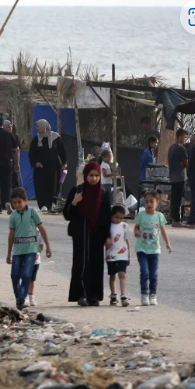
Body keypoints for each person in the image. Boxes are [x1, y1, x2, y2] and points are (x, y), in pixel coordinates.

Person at [64, 162, 112, 306]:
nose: (94, 178)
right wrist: (74, 202)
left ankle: (94, 296)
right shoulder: (77, 191)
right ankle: (81, 295)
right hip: (81, 233)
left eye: (97, 175)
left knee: (96, 264)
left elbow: (106, 217)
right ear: (85, 176)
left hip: (97, 234)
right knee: (81, 263)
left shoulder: (103, 193)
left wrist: (107, 236)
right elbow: (67, 215)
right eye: (91, 175)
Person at [6, 187, 52, 310]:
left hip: (31, 251)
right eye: (14, 203)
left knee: (26, 274)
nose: (17, 205)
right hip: (17, 251)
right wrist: (8, 253)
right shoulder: (13, 216)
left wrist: (48, 246)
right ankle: (19, 298)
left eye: (19, 202)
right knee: (15, 276)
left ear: (25, 200)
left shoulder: (32, 212)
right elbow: (11, 235)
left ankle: (21, 299)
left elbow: (42, 229)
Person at [134, 191, 172, 306]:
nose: (149, 204)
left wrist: (167, 243)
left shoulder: (159, 216)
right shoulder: (141, 215)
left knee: (153, 274)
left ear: (157, 202)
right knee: (144, 271)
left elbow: (163, 231)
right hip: (142, 249)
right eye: (146, 202)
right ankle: (144, 294)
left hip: (154, 250)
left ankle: (153, 294)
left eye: (151, 201)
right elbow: (136, 227)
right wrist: (136, 232)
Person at [29, 119, 68, 212]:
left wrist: (64, 162)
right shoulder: (36, 139)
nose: (37, 128)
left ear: (44, 126)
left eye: (38, 126)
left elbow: (61, 150)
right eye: (37, 126)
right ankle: (42, 204)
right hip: (40, 168)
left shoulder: (55, 137)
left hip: (53, 167)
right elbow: (31, 154)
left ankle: (50, 204)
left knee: (52, 185)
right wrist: (35, 163)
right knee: (40, 185)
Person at [0, 116, 20, 215]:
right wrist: (17, 163)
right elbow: (17, 150)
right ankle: (7, 202)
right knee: (8, 184)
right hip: (8, 162)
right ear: (2, 124)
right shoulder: (10, 135)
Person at [106, 205, 131, 307]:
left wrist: (129, 255)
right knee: (113, 275)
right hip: (111, 254)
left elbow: (127, 240)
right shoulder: (108, 226)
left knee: (122, 274)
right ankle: (113, 295)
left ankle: (123, 295)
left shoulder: (124, 226)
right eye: (117, 217)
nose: (119, 220)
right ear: (112, 216)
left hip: (122, 255)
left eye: (121, 218)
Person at [167, 128, 189, 227]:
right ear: (180, 137)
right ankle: (177, 220)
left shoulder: (171, 148)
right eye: (185, 137)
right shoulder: (181, 148)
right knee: (179, 199)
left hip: (172, 177)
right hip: (180, 177)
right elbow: (186, 163)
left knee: (174, 198)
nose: (185, 139)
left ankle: (174, 218)